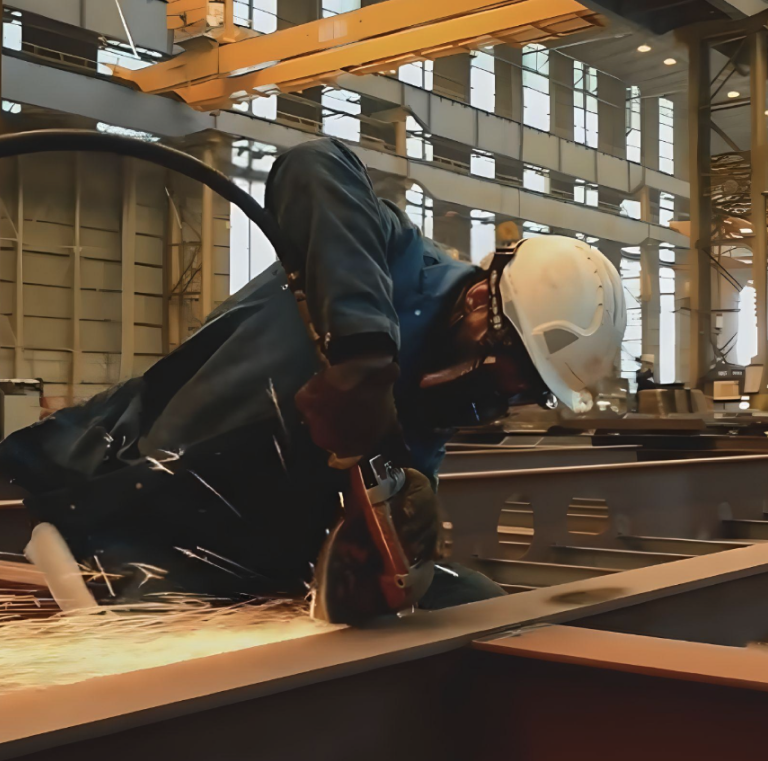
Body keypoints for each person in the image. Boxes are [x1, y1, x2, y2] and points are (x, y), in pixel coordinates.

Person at [0, 139, 626, 614]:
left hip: (242, 570)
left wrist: (391, 548)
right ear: (481, 305)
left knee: (475, 605)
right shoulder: (391, 260)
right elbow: (314, 164)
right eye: (511, 372)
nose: (504, 399)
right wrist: (363, 354)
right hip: (125, 508)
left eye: (527, 392)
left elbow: (382, 511)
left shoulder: (436, 408)